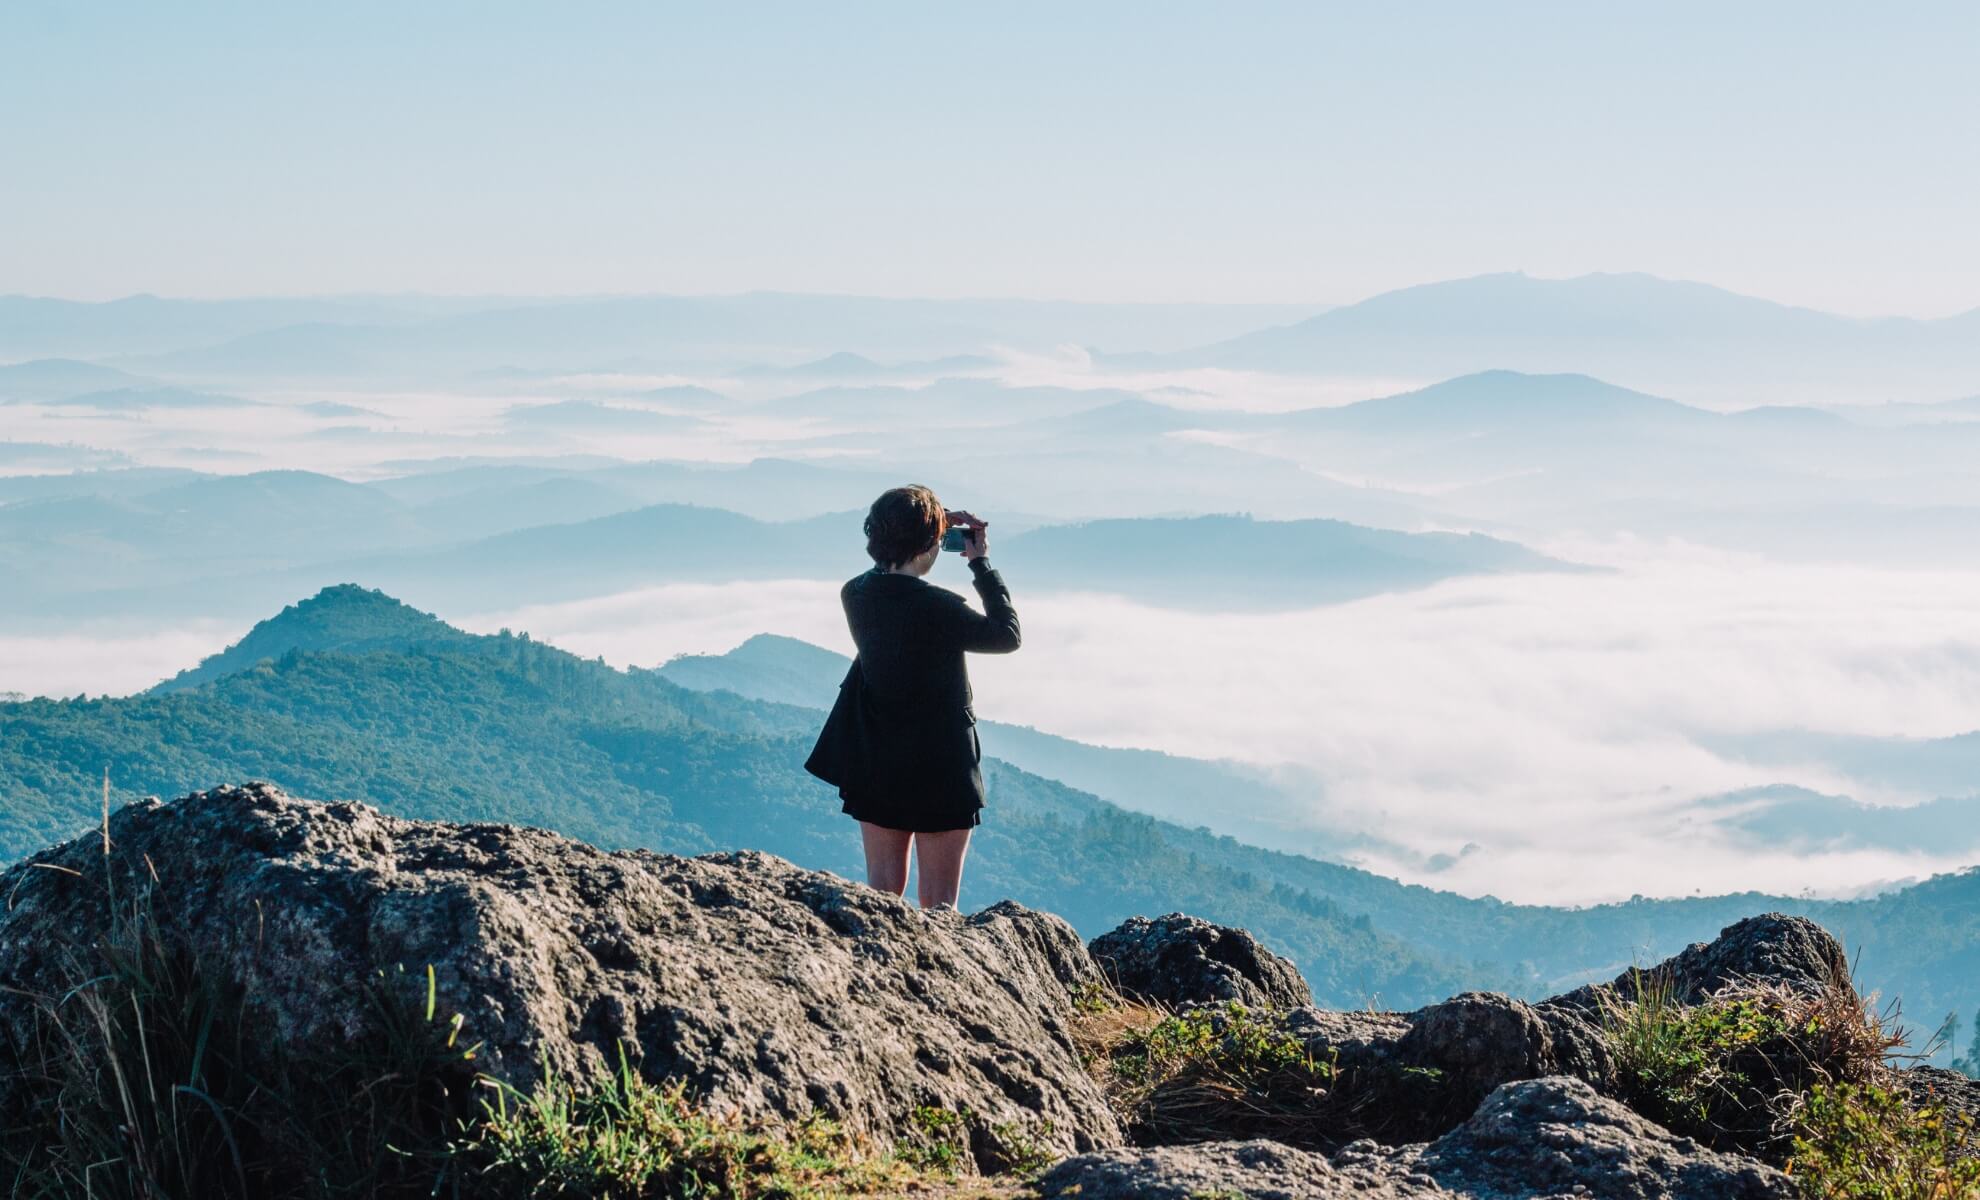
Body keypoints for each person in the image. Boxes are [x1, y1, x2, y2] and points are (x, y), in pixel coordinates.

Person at [803, 485, 1020, 910]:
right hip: (942, 763)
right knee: (939, 905)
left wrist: (931, 524)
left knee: (881, 894)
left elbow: (888, 584)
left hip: (876, 757)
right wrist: (981, 564)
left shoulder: (856, 593)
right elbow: (1006, 635)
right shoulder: (940, 608)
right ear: (929, 544)